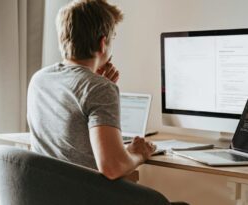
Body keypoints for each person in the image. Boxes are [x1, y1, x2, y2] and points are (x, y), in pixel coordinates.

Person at [27, 0, 157, 180]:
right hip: (85, 195)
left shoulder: (39, 79)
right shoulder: (100, 88)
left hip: (50, 192)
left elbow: (72, 140)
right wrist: (138, 153)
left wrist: (97, 83)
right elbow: (112, 168)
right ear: (103, 43)